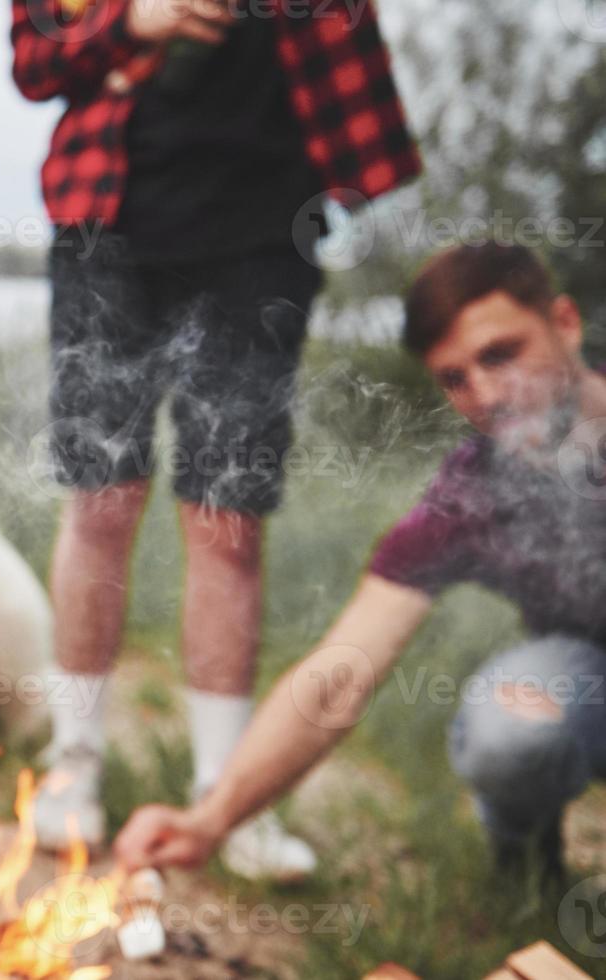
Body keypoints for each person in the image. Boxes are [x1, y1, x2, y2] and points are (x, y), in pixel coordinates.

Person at [9, 0, 421, 876]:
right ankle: (72, 769)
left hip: (262, 231)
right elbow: (33, 62)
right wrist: (135, 24)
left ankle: (220, 797)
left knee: (227, 519)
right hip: (106, 223)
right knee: (102, 499)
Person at [115, 242, 606, 889]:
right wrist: (210, 821)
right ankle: (525, 870)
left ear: (565, 323)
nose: (484, 394)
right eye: (455, 378)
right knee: (510, 731)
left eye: (501, 354)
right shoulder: (472, 494)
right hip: (584, 665)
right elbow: (340, 673)